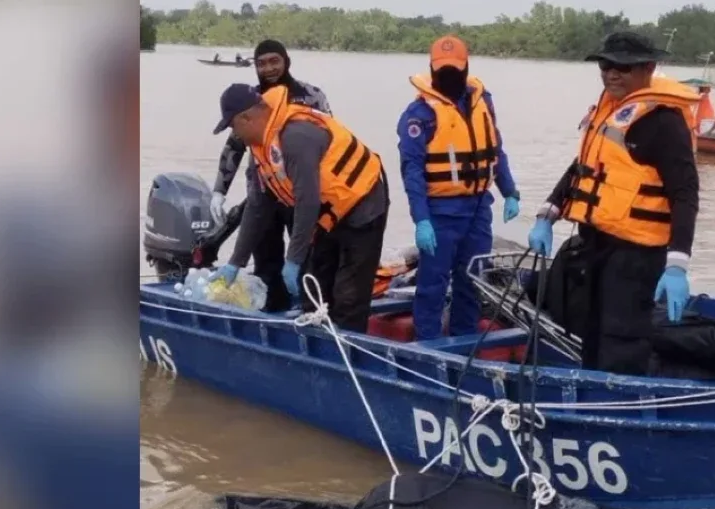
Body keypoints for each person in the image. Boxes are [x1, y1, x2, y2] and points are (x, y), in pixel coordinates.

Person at [526, 31, 700, 374]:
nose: (612, 74)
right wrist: (547, 214)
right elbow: (583, 168)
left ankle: (620, 411)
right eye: (606, 65)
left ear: (648, 67)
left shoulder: (664, 121)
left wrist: (677, 263)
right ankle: (590, 396)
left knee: (621, 338)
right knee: (588, 328)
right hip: (596, 243)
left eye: (624, 66)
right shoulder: (610, 111)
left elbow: (685, 194)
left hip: (637, 254)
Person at [210, 83, 389, 333]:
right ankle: (313, 351)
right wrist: (235, 262)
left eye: (233, 127)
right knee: (314, 288)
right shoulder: (261, 148)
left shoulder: (294, 136)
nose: (235, 135)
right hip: (330, 214)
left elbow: (307, 201)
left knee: (348, 295)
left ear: (246, 117)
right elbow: (257, 205)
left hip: (363, 204)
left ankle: (345, 357)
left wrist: (293, 259)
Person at [397, 35, 520, 340]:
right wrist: (421, 219)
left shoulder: (482, 102)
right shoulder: (419, 116)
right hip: (440, 213)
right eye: (443, 70)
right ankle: (428, 343)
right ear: (432, 68)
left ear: (466, 68)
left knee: (473, 279)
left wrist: (510, 192)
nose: (449, 75)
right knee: (433, 282)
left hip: (478, 208)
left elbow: (495, 150)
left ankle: (465, 339)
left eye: (455, 69)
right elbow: (412, 171)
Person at [209, 39, 332, 311]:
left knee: (306, 258)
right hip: (264, 192)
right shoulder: (249, 101)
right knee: (266, 261)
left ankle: (310, 314)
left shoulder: (311, 96)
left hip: (302, 191)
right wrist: (219, 191)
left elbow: (331, 144)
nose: (269, 69)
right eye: (261, 64)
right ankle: (271, 315)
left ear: (286, 61)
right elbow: (234, 146)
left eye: (274, 61)